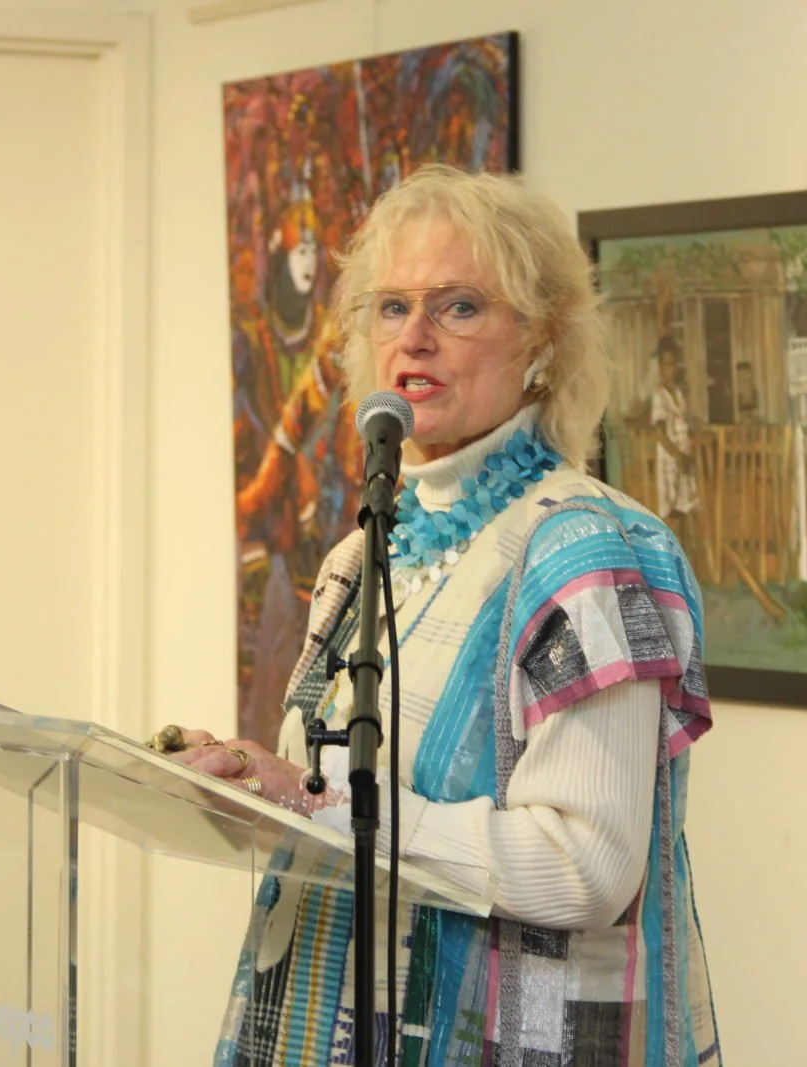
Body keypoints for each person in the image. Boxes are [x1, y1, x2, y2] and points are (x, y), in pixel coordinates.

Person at [159, 164, 720, 1065]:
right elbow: (323, 804)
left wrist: (334, 808)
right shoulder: (362, 555)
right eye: (390, 308)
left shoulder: (584, 551)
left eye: (457, 306)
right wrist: (247, 786)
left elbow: (587, 867)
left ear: (540, 342)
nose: (413, 337)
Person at [649, 336, 700, 532]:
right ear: (661, 367)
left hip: (684, 457)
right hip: (671, 459)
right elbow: (660, 434)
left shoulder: (678, 394)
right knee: (673, 512)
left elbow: (683, 424)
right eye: (667, 364)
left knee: (687, 508)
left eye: (674, 364)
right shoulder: (659, 396)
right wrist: (677, 455)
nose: (671, 369)